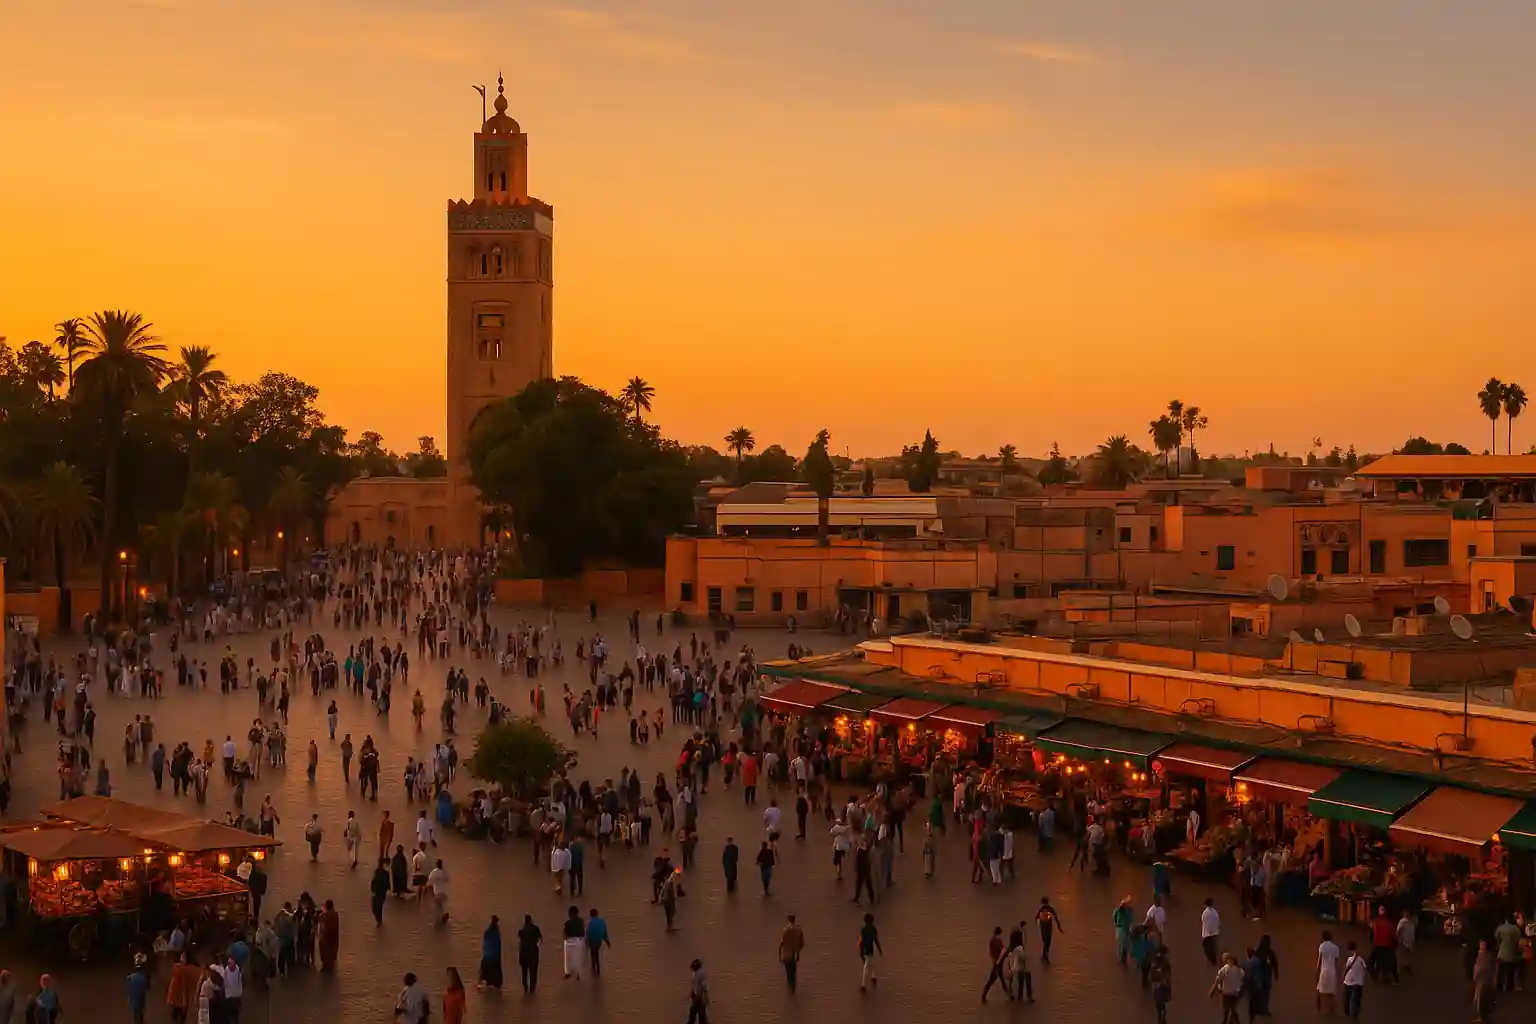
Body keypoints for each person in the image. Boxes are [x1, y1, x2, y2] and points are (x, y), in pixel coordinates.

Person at [1210, 951, 1244, 1024]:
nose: (1224, 959)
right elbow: (1218, 981)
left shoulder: (1235, 969)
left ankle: (1230, 1021)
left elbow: (1242, 979)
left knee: (1231, 1011)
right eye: (1224, 958)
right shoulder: (1223, 969)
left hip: (1231, 993)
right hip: (1226, 993)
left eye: (1226, 958)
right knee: (1229, 1010)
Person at [1494, 914, 1524, 992]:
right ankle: (1509, 986)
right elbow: (1518, 940)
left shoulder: (1500, 928)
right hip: (1512, 951)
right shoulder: (1516, 929)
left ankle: (1499, 986)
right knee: (1510, 970)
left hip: (1502, 950)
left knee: (1501, 971)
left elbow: (1496, 937)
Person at [981, 925, 1009, 1003]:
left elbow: (991, 951)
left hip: (995, 962)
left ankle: (1008, 992)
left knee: (1001, 977)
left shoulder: (992, 940)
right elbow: (1002, 951)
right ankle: (984, 994)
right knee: (992, 979)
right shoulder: (998, 941)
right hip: (998, 963)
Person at [1370, 905, 1398, 983]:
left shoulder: (1376, 922)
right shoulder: (1390, 923)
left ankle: (1376, 975)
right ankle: (1393, 977)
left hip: (1378, 944)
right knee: (1389, 961)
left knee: (1373, 961)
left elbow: (1373, 934)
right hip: (1387, 945)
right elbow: (1393, 935)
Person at [1316, 929, 1341, 1016]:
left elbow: (1320, 959)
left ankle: (1320, 1007)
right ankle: (1331, 1009)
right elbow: (1336, 961)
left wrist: (1317, 969)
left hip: (1324, 970)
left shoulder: (1322, 946)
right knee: (1332, 991)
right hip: (1332, 971)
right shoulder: (1336, 948)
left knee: (1320, 989)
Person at [778, 914, 805, 992]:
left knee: (788, 970)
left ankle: (791, 985)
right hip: (795, 952)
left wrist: (779, 953)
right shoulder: (799, 929)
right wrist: (798, 951)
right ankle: (793, 985)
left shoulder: (785, 930)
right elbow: (802, 942)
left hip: (787, 953)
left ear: (788, 919)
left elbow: (782, 943)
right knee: (793, 969)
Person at [1472, 939, 1497, 1022]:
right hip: (1480, 977)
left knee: (1482, 998)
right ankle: (1481, 1015)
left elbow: (1489, 967)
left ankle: (1482, 1016)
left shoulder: (1487, 955)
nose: (1482, 946)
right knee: (1478, 998)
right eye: (1481, 944)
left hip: (1485, 977)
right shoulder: (1479, 954)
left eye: (1483, 944)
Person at [1341, 941, 1366, 1021]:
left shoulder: (1350, 959)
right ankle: (1354, 1015)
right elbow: (1365, 969)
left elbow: (1346, 969)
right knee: (1355, 999)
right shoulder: (1361, 959)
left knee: (1347, 999)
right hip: (1358, 982)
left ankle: (1350, 1013)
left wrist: (1343, 977)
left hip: (1348, 981)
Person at [517, 914, 542, 994]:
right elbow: (540, 939)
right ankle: (532, 988)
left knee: (524, 971)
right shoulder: (535, 929)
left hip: (523, 953)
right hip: (533, 952)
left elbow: (520, 938)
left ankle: (525, 985)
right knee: (533, 971)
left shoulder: (521, 931)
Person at [858, 912, 882, 993]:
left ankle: (864, 983)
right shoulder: (874, 929)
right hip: (871, 948)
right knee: (872, 963)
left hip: (865, 948)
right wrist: (879, 949)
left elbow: (861, 940)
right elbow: (876, 940)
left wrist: (860, 950)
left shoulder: (863, 928)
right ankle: (871, 977)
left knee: (867, 964)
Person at [1149, 947, 1174, 1024]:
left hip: (1159, 987)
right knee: (1162, 1004)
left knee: (1160, 1004)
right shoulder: (1163, 962)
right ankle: (1161, 1017)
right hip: (1161, 986)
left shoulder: (1156, 963)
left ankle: (1161, 1017)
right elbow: (1168, 973)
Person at [479, 915, 504, 991]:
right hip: (494, 955)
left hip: (488, 955)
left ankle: (488, 982)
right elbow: (497, 944)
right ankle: (495, 984)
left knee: (487, 970)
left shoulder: (488, 931)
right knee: (495, 970)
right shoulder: (495, 931)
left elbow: (486, 943)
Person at [1036, 896, 1063, 965]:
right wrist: (1059, 926)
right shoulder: (1049, 908)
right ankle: (1045, 957)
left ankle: (1044, 956)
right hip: (1047, 928)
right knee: (1047, 942)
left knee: (1046, 942)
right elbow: (1056, 917)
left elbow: (1036, 918)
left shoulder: (1042, 909)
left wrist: (1039, 922)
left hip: (1044, 928)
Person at [561, 905, 586, 980]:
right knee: (578, 958)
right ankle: (578, 973)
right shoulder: (580, 921)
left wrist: (565, 939)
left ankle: (567, 972)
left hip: (569, 941)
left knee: (568, 958)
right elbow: (583, 931)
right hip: (579, 941)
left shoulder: (567, 922)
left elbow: (565, 933)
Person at [585, 908, 610, 977]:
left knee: (593, 953)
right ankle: (598, 968)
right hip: (599, 941)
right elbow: (605, 932)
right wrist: (607, 941)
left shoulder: (589, 924)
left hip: (592, 942)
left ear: (590, 915)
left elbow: (587, 934)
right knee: (596, 952)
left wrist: (586, 943)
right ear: (597, 914)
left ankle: (593, 966)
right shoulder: (602, 921)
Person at [127, 957, 151, 1024]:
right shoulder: (144, 977)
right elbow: (147, 988)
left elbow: (129, 988)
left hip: (133, 997)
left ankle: (136, 1021)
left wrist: (129, 997)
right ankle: (141, 1021)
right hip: (141, 997)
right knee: (141, 1010)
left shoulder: (130, 977)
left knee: (135, 1011)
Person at [317, 899, 340, 971]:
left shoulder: (326, 915)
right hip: (333, 938)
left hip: (326, 937)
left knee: (325, 951)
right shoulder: (335, 914)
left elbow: (323, 925)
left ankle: (326, 966)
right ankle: (330, 965)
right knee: (331, 951)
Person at [426, 859, 450, 923]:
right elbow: (447, 879)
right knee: (441, 906)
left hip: (437, 893)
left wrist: (427, 888)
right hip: (443, 893)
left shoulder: (434, 872)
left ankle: (439, 919)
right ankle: (442, 917)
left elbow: (429, 882)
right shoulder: (444, 871)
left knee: (437, 907)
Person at [687, 959, 710, 1024]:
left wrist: (703, 997)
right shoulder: (696, 973)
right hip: (697, 996)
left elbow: (703, 986)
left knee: (697, 1015)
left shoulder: (700, 974)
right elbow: (695, 984)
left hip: (700, 998)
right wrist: (692, 993)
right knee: (696, 1014)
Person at [1201, 898, 1221, 966]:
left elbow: (1203, 920)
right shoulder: (1215, 912)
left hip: (1208, 934)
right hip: (1214, 932)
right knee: (1212, 947)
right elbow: (1218, 921)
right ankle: (1213, 958)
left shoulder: (1206, 913)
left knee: (1207, 948)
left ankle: (1213, 959)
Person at [370, 858, 390, 926]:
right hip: (377, 892)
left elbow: (387, 884)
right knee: (375, 908)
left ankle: (379, 921)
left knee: (378, 907)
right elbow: (374, 881)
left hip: (380, 893)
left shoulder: (384, 873)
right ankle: (379, 920)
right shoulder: (378, 872)